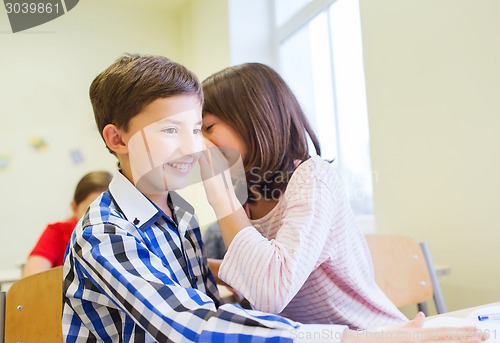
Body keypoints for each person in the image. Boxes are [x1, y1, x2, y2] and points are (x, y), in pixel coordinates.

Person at [62, 54, 484, 343]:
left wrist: (222, 208)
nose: (195, 147)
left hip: (368, 333)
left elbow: (229, 295)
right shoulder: (108, 230)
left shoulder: (194, 210)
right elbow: (191, 320)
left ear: (252, 120)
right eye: (175, 130)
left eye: (200, 128)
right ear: (117, 139)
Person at [200, 62, 409, 329]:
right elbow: (255, 277)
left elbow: (270, 292)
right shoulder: (245, 198)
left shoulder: (312, 179)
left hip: (372, 333)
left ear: (252, 120)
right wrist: (204, 267)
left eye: (208, 128)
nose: (200, 144)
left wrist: (221, 196)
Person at [23, 170, 112, 278]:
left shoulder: (125, 234)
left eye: (108, 211)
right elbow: (32, 281)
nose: (99, 220)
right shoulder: (57, 232)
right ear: (74, 208)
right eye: (90, 211)